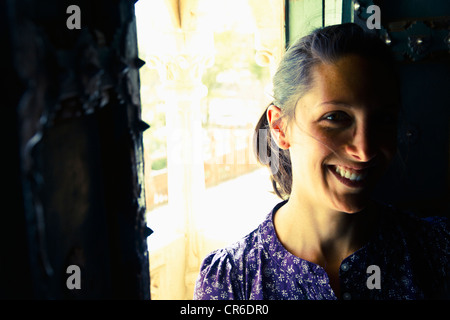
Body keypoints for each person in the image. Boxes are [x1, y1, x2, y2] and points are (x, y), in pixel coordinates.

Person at [193, 23, 449, 300]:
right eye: (336, 117)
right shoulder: (231, 281)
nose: (365, 150)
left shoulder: (437, 251)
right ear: (280, 127)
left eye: (383, 120)